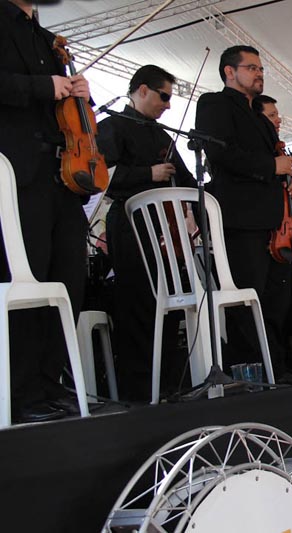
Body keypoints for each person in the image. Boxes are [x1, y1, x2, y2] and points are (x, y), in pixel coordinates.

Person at [0, 0, 95, 422]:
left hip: (63, 176)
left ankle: (51, 383)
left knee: (69, 279)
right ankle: (22, 394)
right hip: (20, 174)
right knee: (27, 279)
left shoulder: (47, 38)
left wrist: (80, 93)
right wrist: (44, 86)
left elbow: (67, 107)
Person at [195, 45, 292, 383]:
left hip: (274, 221)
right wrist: (271, 166)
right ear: (229, 72)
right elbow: (220, 152)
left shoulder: (259, 117)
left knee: (276, 299)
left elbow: (277, 163)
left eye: (261, 69)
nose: (259, 73)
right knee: (248, 297)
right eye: (251, 68)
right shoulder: (214, 104)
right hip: (241, 217)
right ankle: (254, 373)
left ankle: (277, 368)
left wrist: (291, 181)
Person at [96, 64, 196, 401]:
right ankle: (139, 389)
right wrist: (147, 173)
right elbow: (103, 177)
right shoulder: (111, 125)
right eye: (163, 96)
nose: (168, 105)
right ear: (142, 90)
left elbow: (185, 179)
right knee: (136, 303)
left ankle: (166, 383)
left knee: (167, 305)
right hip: (130, 225)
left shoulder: (162, 135)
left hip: (166, 229)